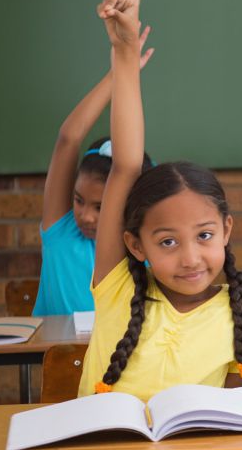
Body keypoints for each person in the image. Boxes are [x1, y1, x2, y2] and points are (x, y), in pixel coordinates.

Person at [27, 0, 242, 450]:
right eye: (167, 242)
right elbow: (128, 165)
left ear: (228, 231)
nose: (190, 256)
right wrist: (123, 51)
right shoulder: (116, 287)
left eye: (205, 236)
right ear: (135, 246)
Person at [33, 29, 154, 316]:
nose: (85, 216)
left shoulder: (142, 250)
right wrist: (118, 74)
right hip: (57, 361)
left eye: (100, 207)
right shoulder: (61, 231)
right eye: (78, 200)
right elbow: (68, 139)